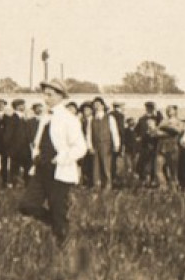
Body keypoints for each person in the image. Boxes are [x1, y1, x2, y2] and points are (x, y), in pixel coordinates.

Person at [19, 80, 87, 245]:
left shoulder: (69, 119)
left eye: (49, 95)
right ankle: (58, 224)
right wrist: (36, 154)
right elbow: (39, 141)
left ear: (60, 96)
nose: (45, 98)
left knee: (58, 209)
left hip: (59, 171)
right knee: (26, 205)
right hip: (41, 170)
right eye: (44, 94)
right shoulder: (45, 117)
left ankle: (63, 245)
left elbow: (81, 148)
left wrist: (61, 158)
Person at [88, 96, 120, 189]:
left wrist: (117, 144)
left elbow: (114, 132)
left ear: (103, 106)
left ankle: (108, 185)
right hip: (96, 145)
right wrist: (89, 146)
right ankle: (97, 184)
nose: (97, 107)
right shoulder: (91, 119)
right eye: (95, 105)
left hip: (106, 145)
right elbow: (89, 134)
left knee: (106, 165)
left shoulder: (110, 118)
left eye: (98, 105)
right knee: (96, 166)